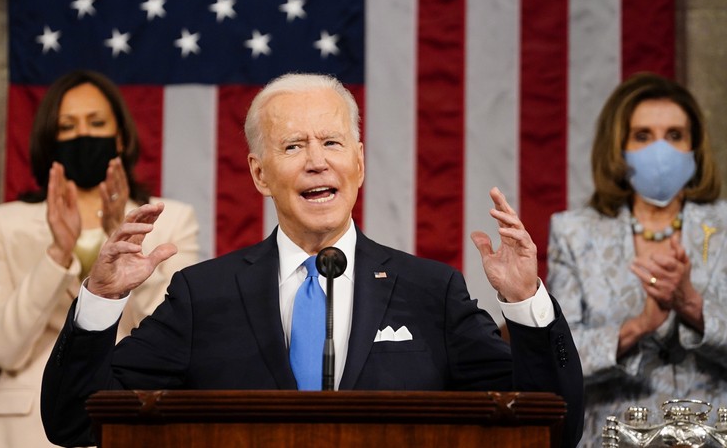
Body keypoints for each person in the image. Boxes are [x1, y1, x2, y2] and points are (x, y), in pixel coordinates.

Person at [41, 72, 584, 447]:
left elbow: (551, 426)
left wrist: (525, 303)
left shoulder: (431, 292)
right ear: (259, 174)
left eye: (332, 142)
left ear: (360, 162)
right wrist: (101, 300)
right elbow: (73, 421)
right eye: (294, 146)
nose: (318, 163)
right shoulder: (203, 296)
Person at [0, 70, 200, 448]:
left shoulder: (172, 219)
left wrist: (126, 238)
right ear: (51, 139)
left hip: (135, 412)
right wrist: (56, 255)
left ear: (120, 136)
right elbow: (1, 349)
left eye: (96, 123)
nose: (84, 134)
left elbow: (180, 335)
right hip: (25, 428)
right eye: (68, 126)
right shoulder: (4, 222)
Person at [547, 72, 727, 446]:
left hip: (720, 437)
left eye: (675, 136)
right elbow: (559, 361)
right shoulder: (574, 232)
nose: (660, 151)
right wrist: (637, 327)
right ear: (617, 147)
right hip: (613, 438)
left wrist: (693, 306)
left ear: (695, 147)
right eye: (643, 136)